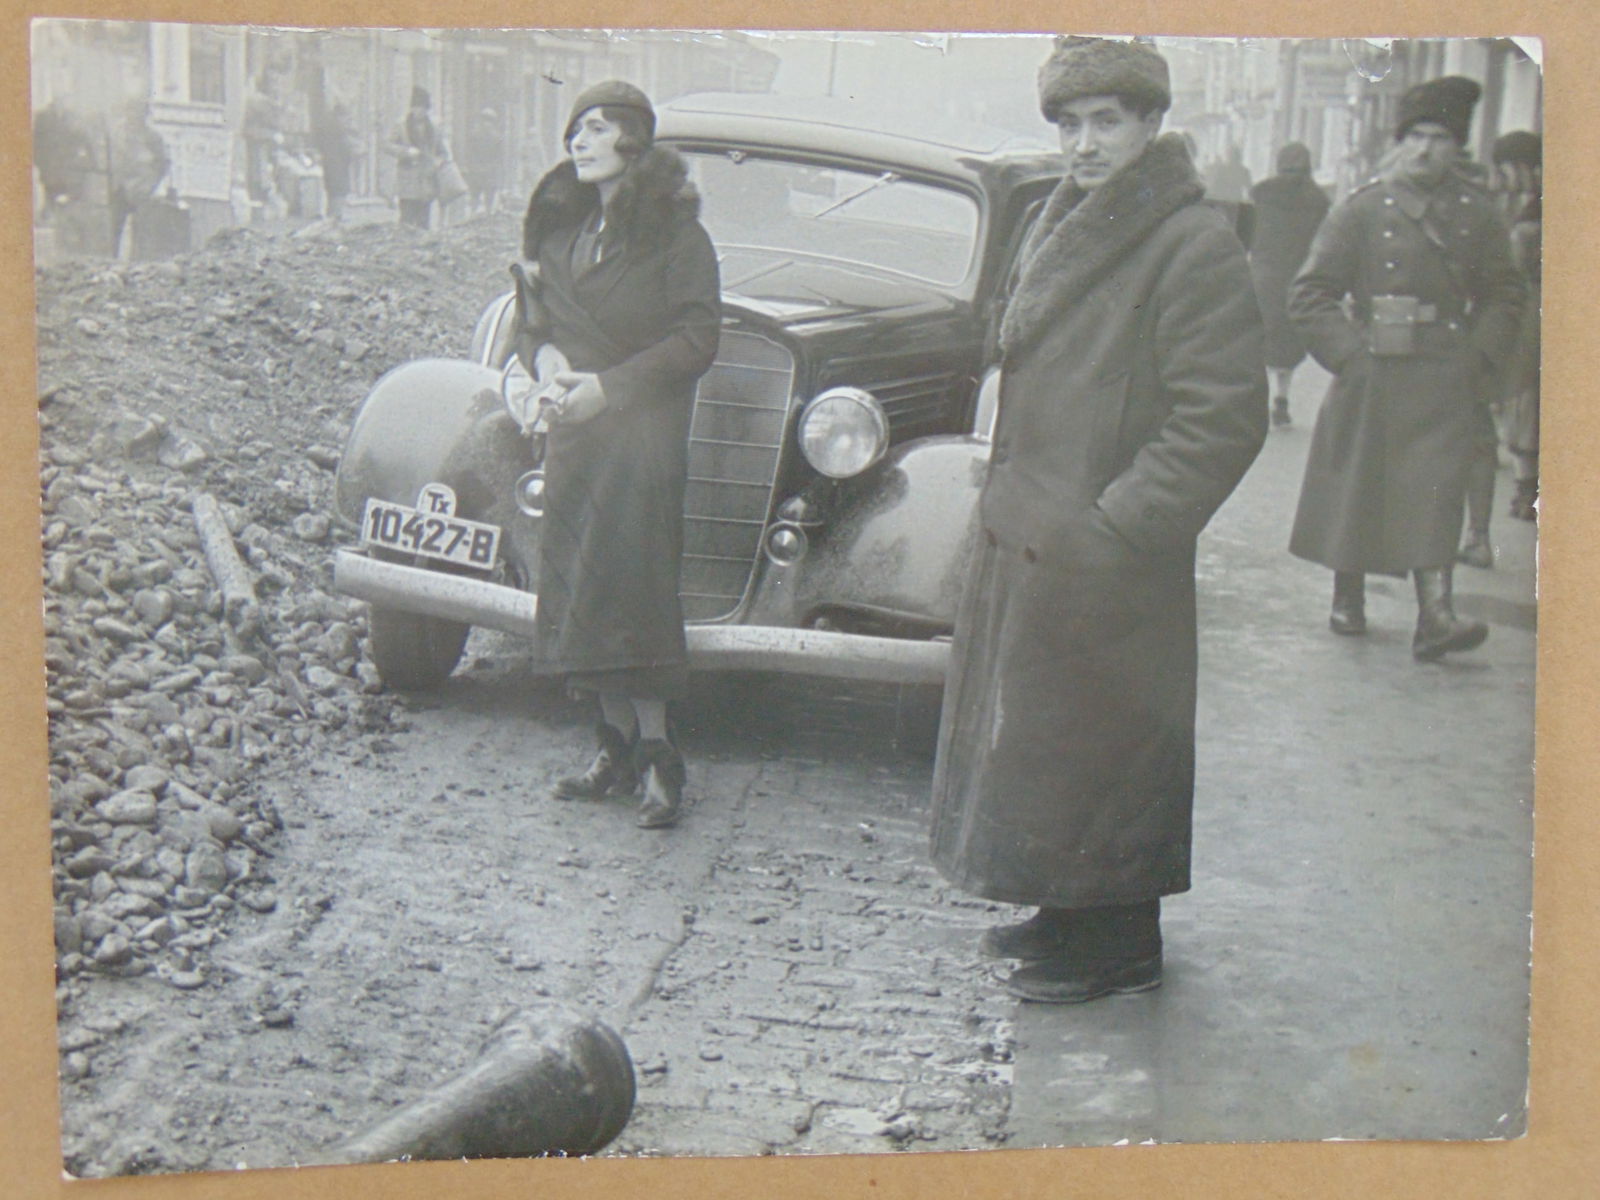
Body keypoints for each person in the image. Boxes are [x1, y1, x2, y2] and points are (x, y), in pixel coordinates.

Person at [929, 37, 1267, 1004]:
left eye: (1107, 122)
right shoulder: (1060, 220)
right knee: (1050, 746)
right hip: (1037, 535)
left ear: (1152, 123)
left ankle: (1120, 945)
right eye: (1071, 125)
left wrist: (1118, 527)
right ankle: (1063, 914)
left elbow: (1223, 415)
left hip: (1111, 554)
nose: (1084, 144)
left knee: (1111, 750)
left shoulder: (1191, 242)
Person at [516, 81, 721, 829]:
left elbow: (698, 340)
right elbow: (533, 324)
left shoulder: (678, 239)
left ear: (634, 141)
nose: (580, 141)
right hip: (575, 434)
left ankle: (661, 758)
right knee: (581, 588)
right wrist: (546, 366)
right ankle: (613, 747)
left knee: (635, 592)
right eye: (576, 129)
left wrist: (608, 389)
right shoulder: (563, 236)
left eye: (598, 128)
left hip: (640, 436)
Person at [1286, 76, 1524, 656]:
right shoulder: (1363, 209)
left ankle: (1436, 615)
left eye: (1439, 138)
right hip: (1374, 367)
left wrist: (1478, 354)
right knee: (1360, 484)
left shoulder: (1478, 213)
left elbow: (1505, 291)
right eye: (1415, 136)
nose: (1424, 150)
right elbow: (1310, 292)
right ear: (1399, 142)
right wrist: (1349, 355)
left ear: (1457, 146)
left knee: (1437, 492)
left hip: (1445, 372)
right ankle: (1348, 595)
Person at [1247, 142, 1330, 427]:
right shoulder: (1318, 200)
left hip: (1263, 276)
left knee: (1260, 338)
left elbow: (1247, 234)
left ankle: (1258, 401)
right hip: (1298, 278)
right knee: (1289, 341)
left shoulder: (1260, 193)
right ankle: (1281, 398)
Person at [1490, 131, 1541, 523]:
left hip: (1532, 314)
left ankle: (1527, 490)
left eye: (1506, 169)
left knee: (1525, 396)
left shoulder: (1533, 213)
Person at [386, 86, 449, 229]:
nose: (419, 111)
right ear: (411, 108)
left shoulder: (434, 127)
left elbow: (443, 152)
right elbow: (387, 145)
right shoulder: (401, 125)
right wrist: (406, 151)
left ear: (427, 109)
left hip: (426, 181)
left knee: (423, 222)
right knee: (406, 221)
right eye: (416, 107)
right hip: (407, 180)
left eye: (423, 108)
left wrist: (438, 162)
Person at [312, 97, 361, 222]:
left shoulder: (329, 126)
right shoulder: (337, 129)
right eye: (346, 117)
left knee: (334, 190)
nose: (347, 120)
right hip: (336, 164)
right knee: (338, 190)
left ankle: (333, 216)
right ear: (340, 116)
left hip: (333, 163)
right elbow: (346, 144)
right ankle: (335, 217)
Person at [462, 107, 504, 215]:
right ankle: (473, 216)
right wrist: (470, 166)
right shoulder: (474, 136)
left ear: (493, 123)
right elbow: (469, 153)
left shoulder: (497, 138)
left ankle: (486, 217)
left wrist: (495, 171)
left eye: (489, 121)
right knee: (474, 198)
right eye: (485, 120)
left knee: (488, 200)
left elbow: (499, 158)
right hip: (477, 172)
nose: (487, 123)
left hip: (488, 173)